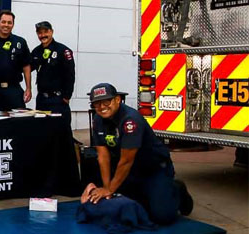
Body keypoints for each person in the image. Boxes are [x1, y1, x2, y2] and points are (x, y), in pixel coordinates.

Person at [87, 83, 193, 224]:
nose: (101, 107)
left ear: (117, 99)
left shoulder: (130, 120)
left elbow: (126, 160)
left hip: (153, 169)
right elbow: (103, 156)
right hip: (130, 171)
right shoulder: (98, 120)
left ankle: (177, 189)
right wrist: (107, 188)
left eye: (106, 101)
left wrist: (110, 189)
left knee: (162, 217)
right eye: (96, 103)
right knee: (125, 206)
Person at [0, 11, 32, 112]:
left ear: (13, 24)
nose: (6, 25)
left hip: (14, 90)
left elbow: (26, 66)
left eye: (9, 23)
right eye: (3, 22)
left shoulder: (20, 42)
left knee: (18, 124)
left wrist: (28, 88)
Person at [31, 21, 75, 124]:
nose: (43, 35)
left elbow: (70, 75)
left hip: (58, 100)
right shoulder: (36, 51)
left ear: (52, 32)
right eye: (40, 33)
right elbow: (27, 67)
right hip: (41, 100)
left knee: (61, 131)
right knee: (42, 130)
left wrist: (67, 96)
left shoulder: (63, 51)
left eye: (46, 32)